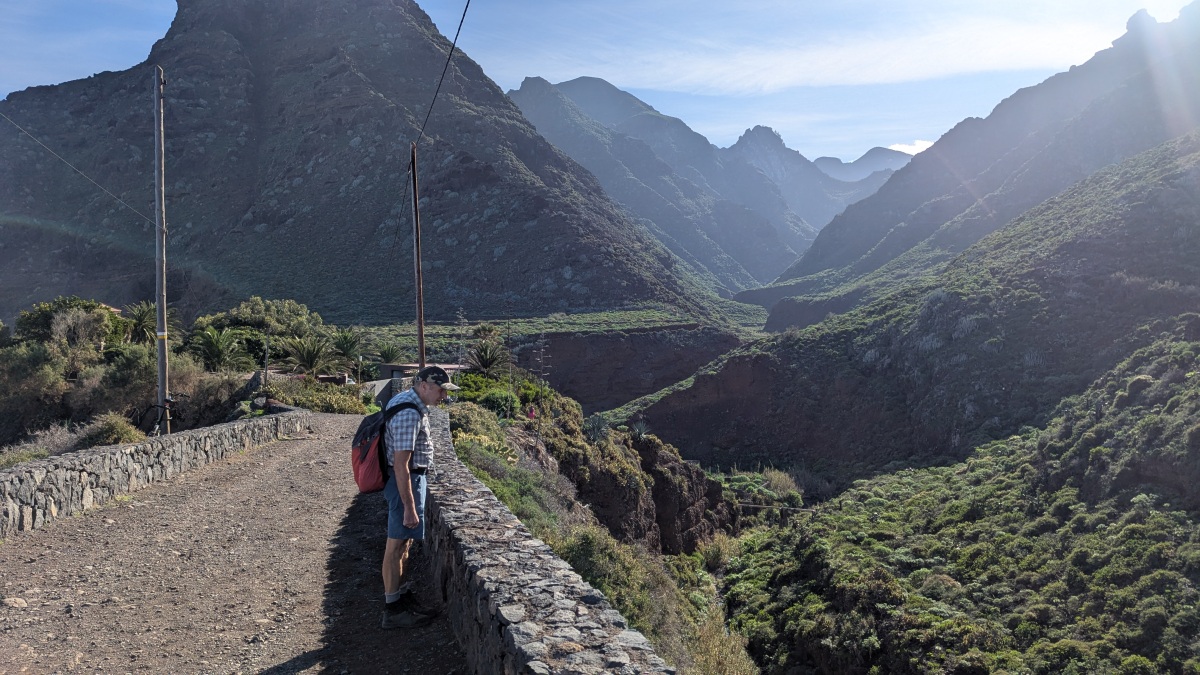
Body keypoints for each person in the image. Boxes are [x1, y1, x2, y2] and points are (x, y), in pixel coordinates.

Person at [380, 365, 459, 629]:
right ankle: (392, 610)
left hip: (413, 478)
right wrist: (409, 506)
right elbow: (401, 464)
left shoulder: (412, 404)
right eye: (440, 391)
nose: (443, 397)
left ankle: (402, 599)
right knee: (395, 546)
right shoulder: (408, 413)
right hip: (406, 481)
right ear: (423, 385)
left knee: (404, 544)